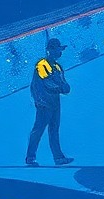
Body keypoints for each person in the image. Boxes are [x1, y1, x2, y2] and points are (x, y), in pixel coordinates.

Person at [25, 38, 73, 166]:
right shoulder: (42, 64)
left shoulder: (57, 66)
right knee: (38, 129)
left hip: (55, 103)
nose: (60, 52)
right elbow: (48, 82)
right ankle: (30, 157)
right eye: (58, 49)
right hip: (44, 103)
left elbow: (62, 83)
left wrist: (65, 87)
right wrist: (61, 87)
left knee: (54, 129)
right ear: (50, 50)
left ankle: (58, 158)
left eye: (60, 50)